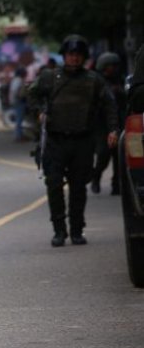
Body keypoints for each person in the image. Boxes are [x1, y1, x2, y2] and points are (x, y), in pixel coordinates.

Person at [28, 34, 118, 247]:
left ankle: (77, 230)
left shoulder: (93, 80)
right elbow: (31, 94)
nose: (74, 59)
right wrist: (40, 112)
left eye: (78, 55)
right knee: (54, 185)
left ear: (84, 57)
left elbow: (109, 105)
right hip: (55, 141)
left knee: (79, 188)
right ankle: (59, 230)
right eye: (70, 55)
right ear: (64, 56)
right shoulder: (50, 77)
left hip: (82, 141)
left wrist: (113, 129)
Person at [90, 52, 125, 195]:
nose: (113, 69)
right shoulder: (97, 81)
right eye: (110, 66)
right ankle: (96, 177)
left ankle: (116, 185)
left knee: (119, 156)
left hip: (118, 122)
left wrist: (120, 92)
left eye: (115, 66)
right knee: (103, 154)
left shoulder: (119, 80)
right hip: (101, 124)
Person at [8, 67, 29, 141]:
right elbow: (15, 91)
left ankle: (20, 135)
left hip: (17, 101)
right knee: (19, 120)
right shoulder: (18, 80)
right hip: (19, 101)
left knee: (19, 119)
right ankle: (19, 136)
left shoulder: (16, 80)